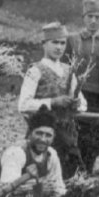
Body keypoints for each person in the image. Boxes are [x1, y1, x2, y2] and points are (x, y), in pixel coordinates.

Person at [19, 22, 87, 179]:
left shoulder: (69, 71)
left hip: (66, 135)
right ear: (44, 44)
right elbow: (23, 105)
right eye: (54, 42)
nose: (59, 47)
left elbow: (83, 103)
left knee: (70, 175)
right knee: (40, 178)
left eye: (62, 43)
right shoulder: (35, 70)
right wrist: (53, 102)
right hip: (42, 136)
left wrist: (77, 104)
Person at [64, 0, 99, 172]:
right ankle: (69, 179)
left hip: (97, 101)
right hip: (75, 98)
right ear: (83, 18)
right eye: (90, 16)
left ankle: (85, 178)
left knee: (93, 145)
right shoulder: (72, 40)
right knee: (72, 141)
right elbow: (63, 70)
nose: (93, 21)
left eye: (97, 17)